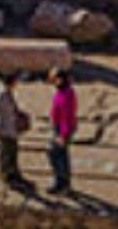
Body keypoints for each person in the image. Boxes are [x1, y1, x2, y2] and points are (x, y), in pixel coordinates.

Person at [0, 73, 30, 189]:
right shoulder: (0, 94)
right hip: (4, 129)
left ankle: (14, 174)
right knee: (6, 154)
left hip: (11, 128)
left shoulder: (7, 93)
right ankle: (7, 176)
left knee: (13, 152)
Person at [48, 65, 79, 196]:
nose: (52, 82)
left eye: (54, 79)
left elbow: (66, 116)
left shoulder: (66, 95)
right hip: (59, 127)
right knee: (58, 155)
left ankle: (62, 183)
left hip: (63, 129)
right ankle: (61, 182)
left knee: (57, 155)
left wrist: (62, 135)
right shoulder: (63, 91)